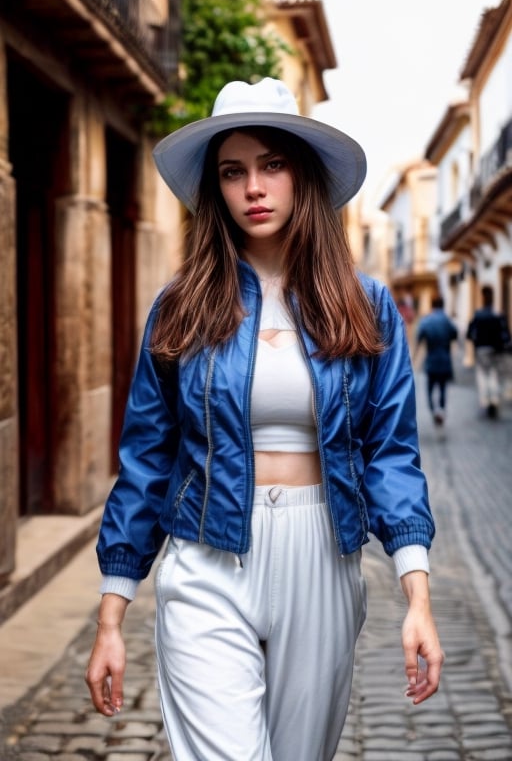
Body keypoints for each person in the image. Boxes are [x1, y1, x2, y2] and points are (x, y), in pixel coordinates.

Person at [85, 77, 444, 761]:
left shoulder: (365, 306)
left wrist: (417, 595)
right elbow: (146, 459)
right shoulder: (182, 307)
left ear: (301, 176)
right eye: (233, 171)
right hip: (206, 559)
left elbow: (391, 454)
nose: (253, 187)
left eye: (271, 165)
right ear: (215, 189)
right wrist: (112, 612)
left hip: (322, 556)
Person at [466, 285, 512, 418]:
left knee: (483, 375)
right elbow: (506, 335)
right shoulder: (498, 315)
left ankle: (486, 401)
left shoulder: (478, 315)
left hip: (481, 350)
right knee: (493, 374)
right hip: (496, 350)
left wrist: (476, 341)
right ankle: (494, 400)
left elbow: (470, 334)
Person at [415, 296, 458, 426]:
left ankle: (434, 410)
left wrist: (414, 356)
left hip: (431, 360)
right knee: (443, 388)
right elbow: (455, 334)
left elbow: (419, 338)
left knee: (429, 388)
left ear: (432, 305)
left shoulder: (426, 321)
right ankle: (441, 410)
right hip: (445, 359)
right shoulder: (447, 320)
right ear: (443, 305)